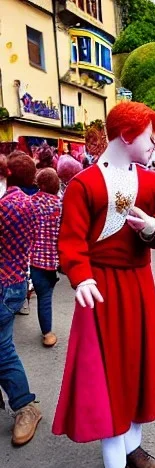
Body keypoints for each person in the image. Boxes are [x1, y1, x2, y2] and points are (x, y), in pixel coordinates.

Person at [52, 102, 155, 468]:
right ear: (127, 136)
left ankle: (133, 447)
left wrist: (154, 227)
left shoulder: (152, 183)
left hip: (139, 287)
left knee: (137, 368)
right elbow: (71, 240)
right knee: (108, 376)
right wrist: (82, 275)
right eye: (151, 137)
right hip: (101, 291)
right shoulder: (84, 185)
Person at [0, 152, 41, 446]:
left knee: (3, 350)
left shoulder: (10, 206)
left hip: (5, 287)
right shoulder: (23, 200)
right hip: (14, 283)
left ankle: (25, 405)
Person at [30, 168, 62, 347]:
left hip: (34, 260)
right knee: (46, 296)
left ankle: (46, 331)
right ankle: (47, 333)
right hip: (53, 261)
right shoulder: (60, 204)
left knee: (42, 294)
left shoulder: (30, 202)